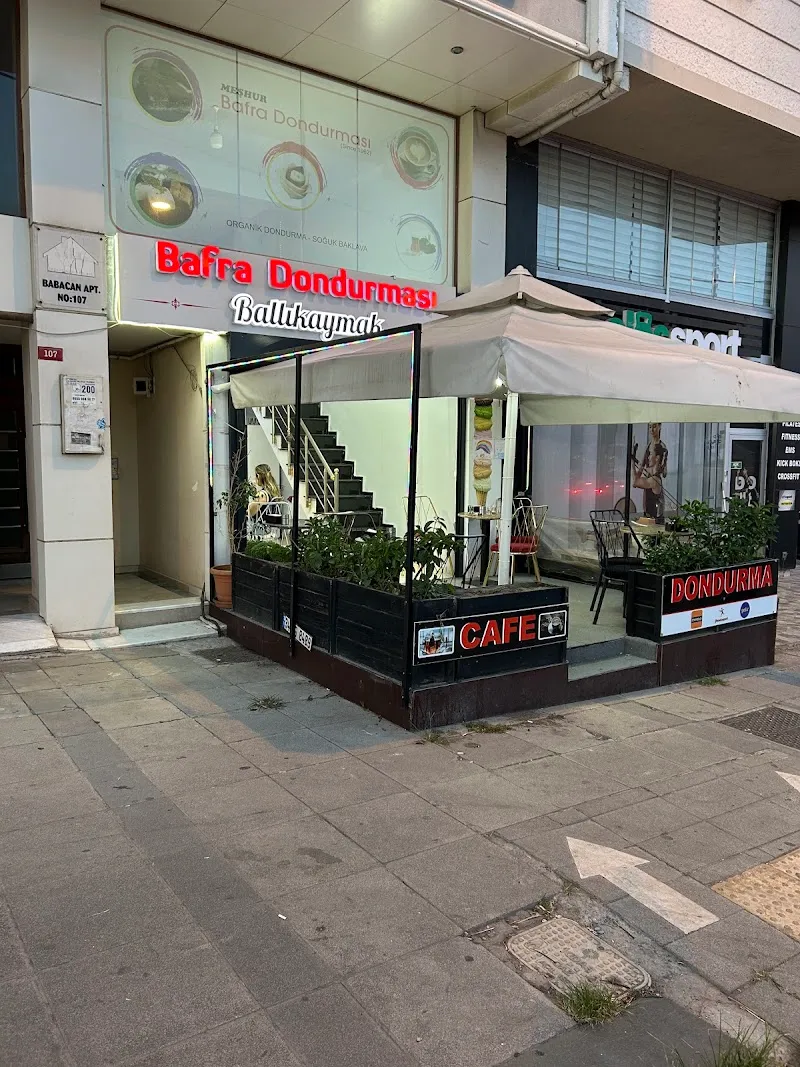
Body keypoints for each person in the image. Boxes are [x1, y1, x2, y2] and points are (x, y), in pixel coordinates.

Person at [632, 423, 668, 522]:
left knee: (654, 513)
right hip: (649, 481)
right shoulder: (648, 445)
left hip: (653, 482)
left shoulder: (662, 446)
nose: (652, 430)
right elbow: (642, 464)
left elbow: (664, 472)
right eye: (650, 427)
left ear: (659, 427)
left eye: (654, 427)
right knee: (647, 509)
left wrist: (659, 468)